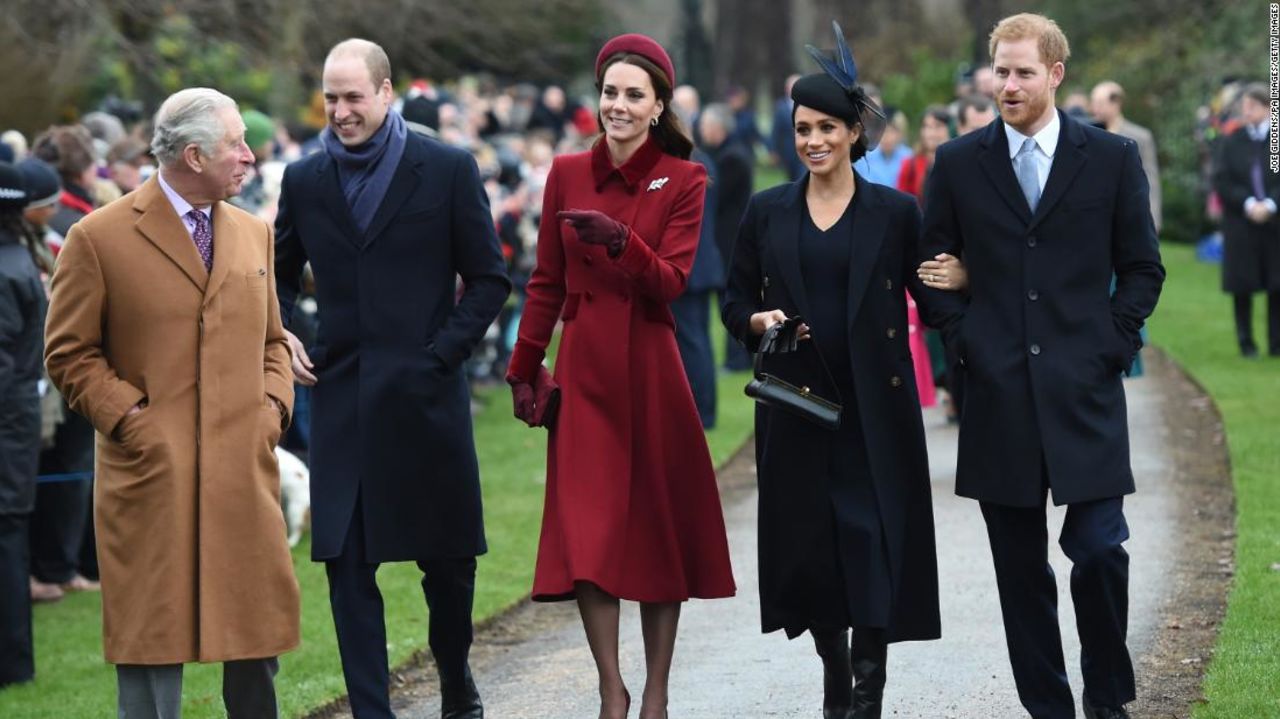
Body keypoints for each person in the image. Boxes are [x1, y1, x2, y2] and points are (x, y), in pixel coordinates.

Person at [917, 14, 1164, 719]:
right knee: (1021, 573)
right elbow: (930, 270)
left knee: (1100, 552)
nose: (1009, 83)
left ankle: (1108, 698)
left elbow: (1143, 267)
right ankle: (1049, 708)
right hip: (998, 392)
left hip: (1084, 390)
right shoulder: (960, 164)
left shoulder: (1111, 158)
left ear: (1056, 74)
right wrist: (966, 343)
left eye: (1024, 71)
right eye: (1001, 70)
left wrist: (1112, 344)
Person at [43, 87, 300, 718]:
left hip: (243, 471)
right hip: (152, 478)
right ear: (192, 155)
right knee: (151, 646)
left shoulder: (252, 234)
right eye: (236, 144)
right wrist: (134, 421)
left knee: (255, 643)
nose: (249, 155)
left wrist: (271, 410)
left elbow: (274, 341)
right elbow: (69, 354)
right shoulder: (96, 238)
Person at [273, 39, 509, 719]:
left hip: (427, 399)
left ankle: (455, 678)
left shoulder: (446, 169)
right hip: (341, 397)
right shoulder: (305, 180)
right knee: (345, 568)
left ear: (385, 94)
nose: (340, 111)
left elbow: (491, 279)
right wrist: (281, 329)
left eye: (353, 96)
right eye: (331, 97)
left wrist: (440, 355)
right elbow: (279, 272)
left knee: (449, 565)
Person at [506, 33, 735, 719]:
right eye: (610, 92)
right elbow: (545, 281)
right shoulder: (567, 172)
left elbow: (673, 282)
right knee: (589, 533)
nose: (618, 105)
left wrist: (621, 241)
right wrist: (523, 369)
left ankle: (656, 692)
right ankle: (612, 688)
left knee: (656, 532)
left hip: (651, 371)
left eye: (634, 94)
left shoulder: (687, 178)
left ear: (659, 103)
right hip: (584, 374)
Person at [721, 23, 942, 719]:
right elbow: (735, 301)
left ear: (853, 132)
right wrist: (759, 323)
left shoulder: (896, 212)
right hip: (797, 405)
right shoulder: (767, 211)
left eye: (825, 128)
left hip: (877, 406)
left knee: (875, 543)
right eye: (801, 129)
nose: (812, 140)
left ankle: (865, 691)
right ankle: (835, 670)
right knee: (811, 553)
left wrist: (960, 275)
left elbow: (930, 298)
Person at [0, 162, 45, 688]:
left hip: (9, 421)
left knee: (7, 536)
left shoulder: (7, 268)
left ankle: (11, 662)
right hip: (18, 417)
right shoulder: (19, 259)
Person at [1211, 83, 1278, 357]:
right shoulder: (1233, 139)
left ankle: (1276, 344)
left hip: (1275, 224)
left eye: (1252, 106)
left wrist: (1272, 203)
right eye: (1244, 106)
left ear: (1267, 107)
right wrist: (1248, 203)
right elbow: (1222, 178)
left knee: (1277, 285)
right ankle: (1246, 343)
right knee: (1243, 285)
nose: (1245, 111)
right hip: (1242, 221)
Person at [698, 102, 755, 371]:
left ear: (716, 128)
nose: (701, 130)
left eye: (705, 126)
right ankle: (739, 358)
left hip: (729, 241)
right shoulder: (730, 153)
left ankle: (738, 359)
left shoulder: (731, 158)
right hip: (729, 240)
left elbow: (716, 200)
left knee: (731, 301)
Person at [1091, 81, 1162, 233]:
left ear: (1116, 103)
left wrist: (1153, 217)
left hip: (1127, 213)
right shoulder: (1087, 133)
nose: (1094, 108)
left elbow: (1151, 178)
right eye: (1093, 102)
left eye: (1100, 103)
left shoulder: (1140, 137)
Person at [857, 109, 912, 187]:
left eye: (892, 131)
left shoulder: (909, 157)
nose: (887, 137)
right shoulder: (866, 158)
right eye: (883, 131)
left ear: (900, 133)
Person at [771, 74, 806, 181]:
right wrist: (773, 150)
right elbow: (776, 130)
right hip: (788, 151)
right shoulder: (780, 106)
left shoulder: (807, 104)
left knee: (802, 176)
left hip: (805, 148)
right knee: (791, 179)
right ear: (787, 89)